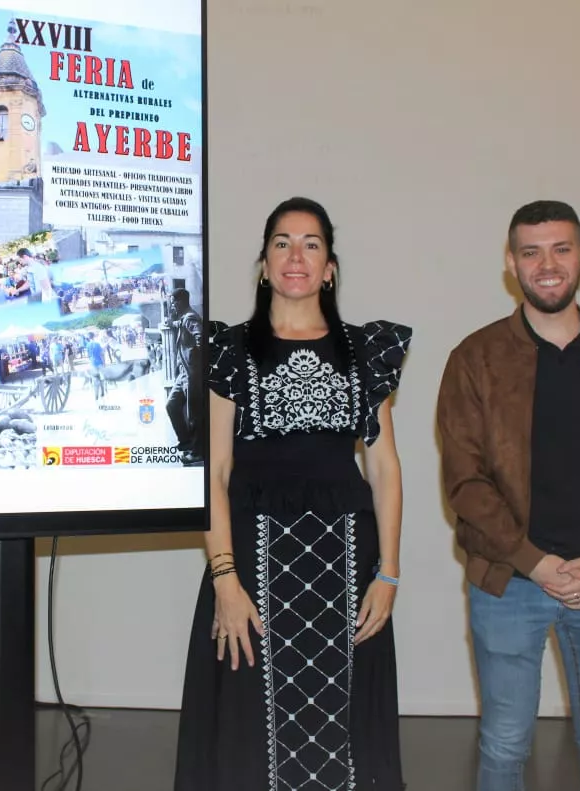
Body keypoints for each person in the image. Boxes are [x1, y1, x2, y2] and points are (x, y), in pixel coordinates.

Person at [175, 197, 413, 790]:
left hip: (347, 567)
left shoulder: (366, 352)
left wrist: (389, 574)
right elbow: (216, 470)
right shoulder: (228, 350)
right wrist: (224, 578)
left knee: (345, 724)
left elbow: (383, 466)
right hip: (252, 568)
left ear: (330, 266)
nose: (296, 256)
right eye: (282, 242)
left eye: (311, 243)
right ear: (263, 263)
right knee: (248, 725)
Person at [436, 200, 580, 791]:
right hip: (508, 584)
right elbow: (465, 482)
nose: (547, 264)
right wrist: (534, 562)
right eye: (531, 251)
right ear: (511, 265)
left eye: (561, 248)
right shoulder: (475, 359)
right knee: (503, 746)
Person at [164, 287, 205, 465]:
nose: (172, 307)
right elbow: (177, 325)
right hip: (183, 375)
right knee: (172, 405)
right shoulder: (183, 319)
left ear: (180, 302)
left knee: (194, 414)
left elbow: (201, 337)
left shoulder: (191, 318)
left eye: (173, 303)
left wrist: (195, 358)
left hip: (193, 374)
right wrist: (171, 321)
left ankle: (197, 452)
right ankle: (186, 442)